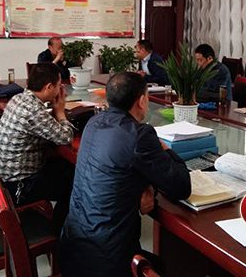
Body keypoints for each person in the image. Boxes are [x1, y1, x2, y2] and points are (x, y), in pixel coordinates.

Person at [60, 72, 191, 277]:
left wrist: (146, 186)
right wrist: (163, 148)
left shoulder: (94, 122)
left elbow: (118, 169)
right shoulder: (140, 135)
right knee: (166, 267)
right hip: (107, 262)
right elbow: (182, 186)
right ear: (142, 100)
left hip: (73, 248)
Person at [0, 62, 75, 233]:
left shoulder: (18, 98)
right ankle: (58, 232)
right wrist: (60, 112)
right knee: (76, 183)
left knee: (67, 167)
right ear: (49, 87)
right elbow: (65, 137)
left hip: (5, 177)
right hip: (19, 186)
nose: (60, 89)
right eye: (59, 85)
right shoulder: (34, 111)